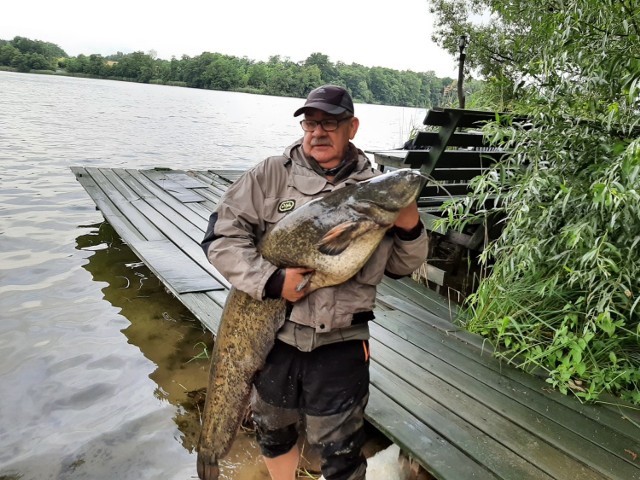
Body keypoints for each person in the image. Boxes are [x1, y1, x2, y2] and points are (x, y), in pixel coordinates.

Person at [200, 85, 428, 480]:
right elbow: (221, 239)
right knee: (273, 429)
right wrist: (271, 282)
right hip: (276, 339)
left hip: (341, 339)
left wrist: (410, 227)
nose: (317, 132)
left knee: (341, 450)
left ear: (352, 127)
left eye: (330, 123)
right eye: (310, 122)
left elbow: (401, 267)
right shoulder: (271, 175)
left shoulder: (374, 187)